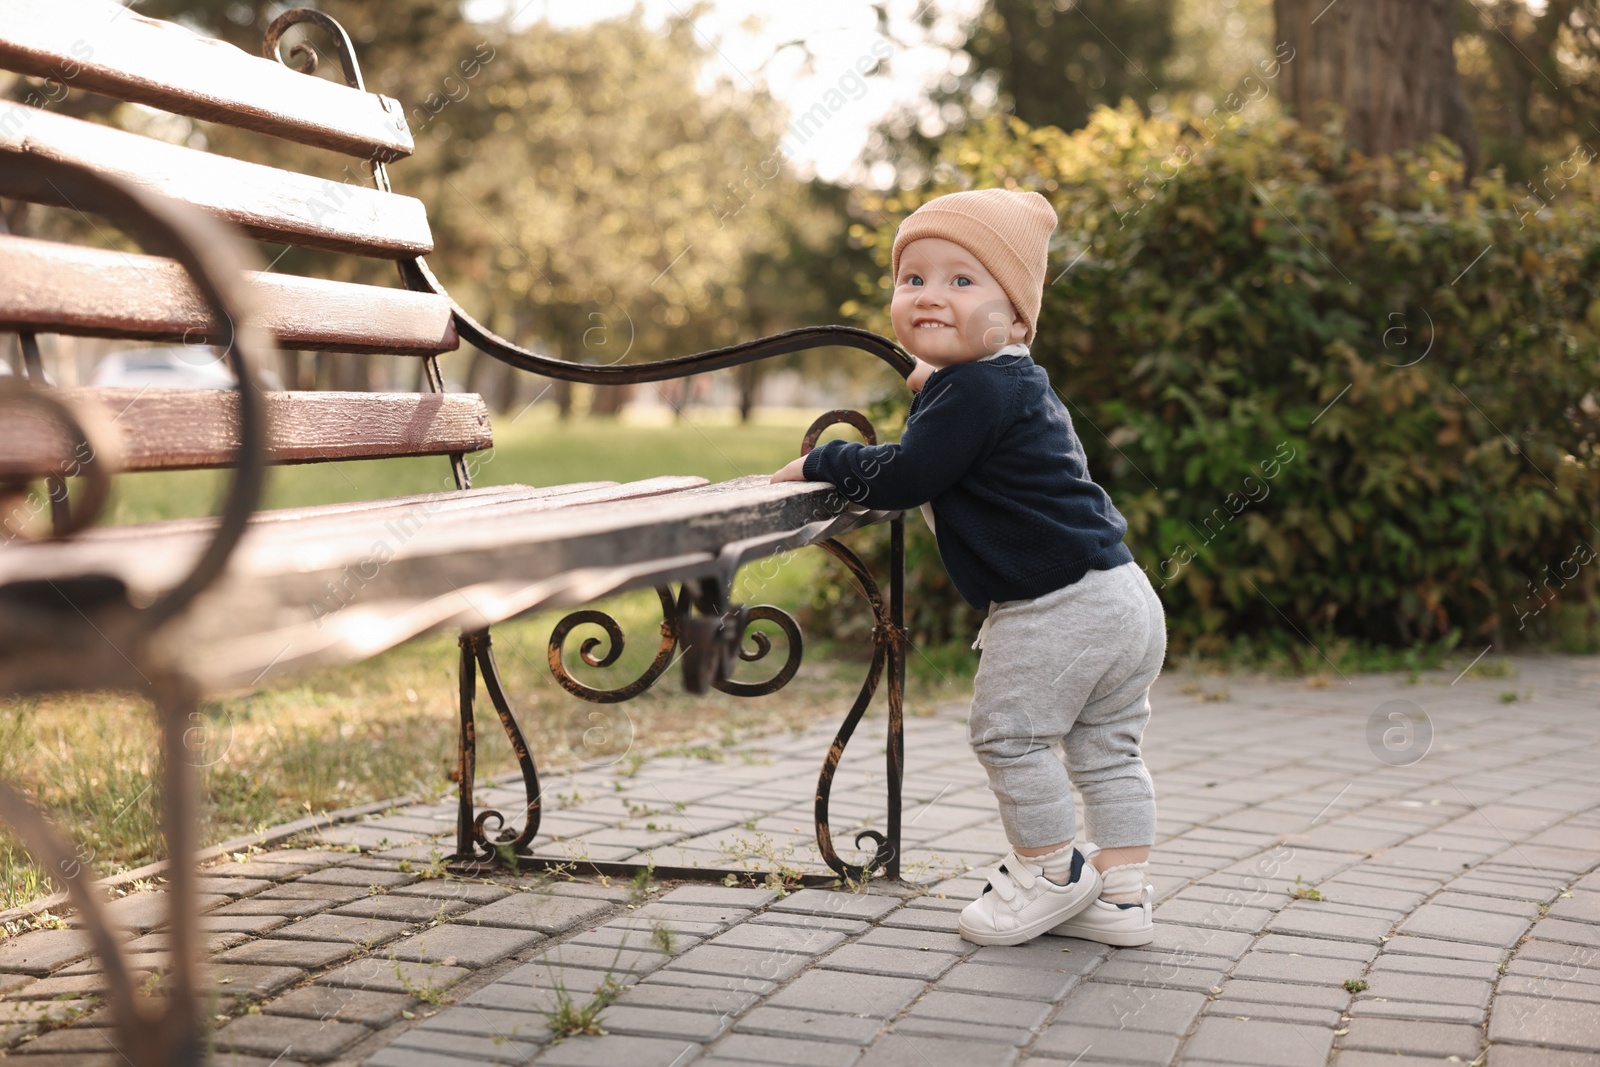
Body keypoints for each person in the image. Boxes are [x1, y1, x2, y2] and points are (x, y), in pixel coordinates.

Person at [770, 188, 1167, 948]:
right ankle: (1122, 896)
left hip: (1054, 608)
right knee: (1107, 748)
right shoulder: (1009, 381)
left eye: (962, 281)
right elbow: (960, 422)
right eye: (912, 278)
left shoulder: (976, 389)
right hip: (1121, 596)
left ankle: (1050, 873)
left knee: (1010, 738)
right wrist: (933, 383)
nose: (929, 296)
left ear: (1016, 315)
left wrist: (821, 460)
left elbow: (909, 474)